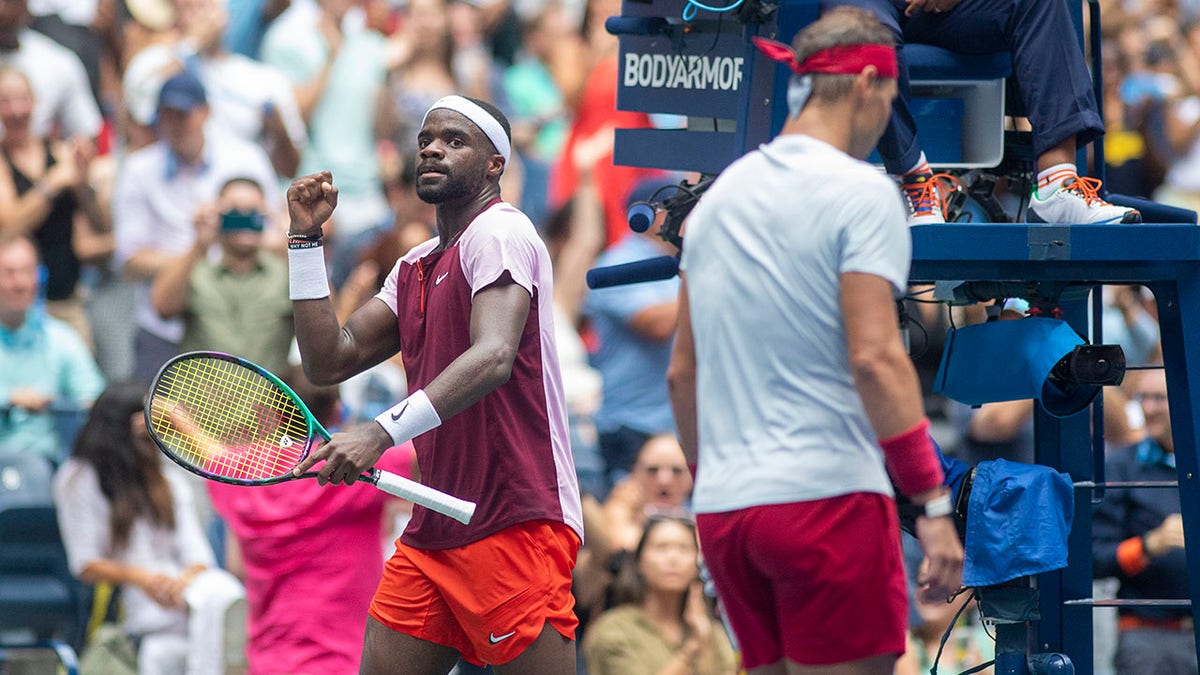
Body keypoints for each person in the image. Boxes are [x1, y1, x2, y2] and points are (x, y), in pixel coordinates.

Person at [667, 8, 963, 674]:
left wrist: (711, 486)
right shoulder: (863, 192)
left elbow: (682, 377)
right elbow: (876, 357)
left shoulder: (717, 200)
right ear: (865, 84)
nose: (889, 117)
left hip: (726, 514)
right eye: (891, 99)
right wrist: (933, 503)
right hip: (826, 500)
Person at [285, 95, 583, 673]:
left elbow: (493, 355)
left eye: (454, 140)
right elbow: (327, 361)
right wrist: (304, 241)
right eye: (426, 139)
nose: (432, 148)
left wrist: (379, 432)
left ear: (495, 164)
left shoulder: (501, 231)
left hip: (516, 516)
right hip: (436, 525)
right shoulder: (415, 264)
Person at [822, 0, 1142, 225]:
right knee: (855, 31)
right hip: (862, 5)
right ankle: (914, 183)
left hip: (944, 12)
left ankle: (1056, 185)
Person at [208, 369, 416, 675]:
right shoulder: (356, 469)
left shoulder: (236, 471)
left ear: (272, 415)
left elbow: (236, 566)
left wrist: (173, 415)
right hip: (347, 662)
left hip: (268, 663)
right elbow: (432, 456)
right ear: (336, 410)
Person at [53, 382, 245, 675]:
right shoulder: (79, 478)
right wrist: (144, 580)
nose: (152, 432)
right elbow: (85, 563)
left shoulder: (167, 477)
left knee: (222, 592)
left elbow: (198, 555)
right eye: (142, 423)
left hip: (184, 596)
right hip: (127, 603)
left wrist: (180, 582)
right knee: (163, 643)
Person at [112, 69, 279, 384]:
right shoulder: (138, 170)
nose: (174, 125)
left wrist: (230, 240)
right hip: (164, 327)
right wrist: (198, 250)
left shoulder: (246, 159)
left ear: (205, 113)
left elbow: (273, 231)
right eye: (166, 116)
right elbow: (129, 260)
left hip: (236, 320)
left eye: (182, 115)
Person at [1093, 367, 1196, 675]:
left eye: (1159, 399)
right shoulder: (1123, 466)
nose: (1148, 408)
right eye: (1143, 399)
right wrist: (1150, 545)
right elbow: (1094, 557)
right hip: (1148, 634)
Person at [0, 65, 110, 347]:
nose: (16, 110)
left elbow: (100, 226)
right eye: (5, 101)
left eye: (22, 99)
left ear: (35, 101)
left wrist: (83, 183)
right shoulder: (6, 161)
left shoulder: (61, 152)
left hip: (67, 300)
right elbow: (10, 228)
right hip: (14, 308)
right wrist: (54, 182)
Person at [584, 177, 681, 494]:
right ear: (655, 214)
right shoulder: (619, 262)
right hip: (631, 425)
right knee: (630, 520)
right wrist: (707, 278)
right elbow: (657, 325)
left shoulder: (677, 261)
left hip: (678, 423)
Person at [150, 176, 293, 376]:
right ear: (218, 215)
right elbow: (163, 308)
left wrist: (291, 244)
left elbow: (326, 325)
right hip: (200, 401)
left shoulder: (285, 272)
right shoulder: (195, 269)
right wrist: (200, 244)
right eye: (234, 212)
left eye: (253, 212)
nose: (244, 220)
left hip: (265, 403)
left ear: (266, 216)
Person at [582, 515, 738, 675]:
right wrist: (691, 651)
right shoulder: (613, 629)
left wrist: (704, 643)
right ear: (639, 561)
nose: (673, 558)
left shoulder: (712, 631)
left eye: (684, 549)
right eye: (661, 548)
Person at [0, 234, 104, 462]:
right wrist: (8, 399)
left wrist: (72, 405)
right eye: (8, 273)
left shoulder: (61, 338)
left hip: (48, 468)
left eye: (27, 272)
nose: (20, 283)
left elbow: (93, 398)